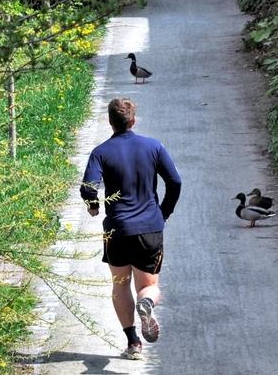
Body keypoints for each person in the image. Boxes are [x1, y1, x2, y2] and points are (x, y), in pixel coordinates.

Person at [80, 98, 182, 360]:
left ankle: (133, 343)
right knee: (149, 286)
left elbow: (88, 187)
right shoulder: (153, 147)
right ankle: (146, 303)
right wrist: (164, 213)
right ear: (133, 121)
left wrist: (93, 206)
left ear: (110, 122)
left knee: (120, 285)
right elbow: (175, 181)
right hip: (149, 228)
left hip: (116, 231)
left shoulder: (101, 152)